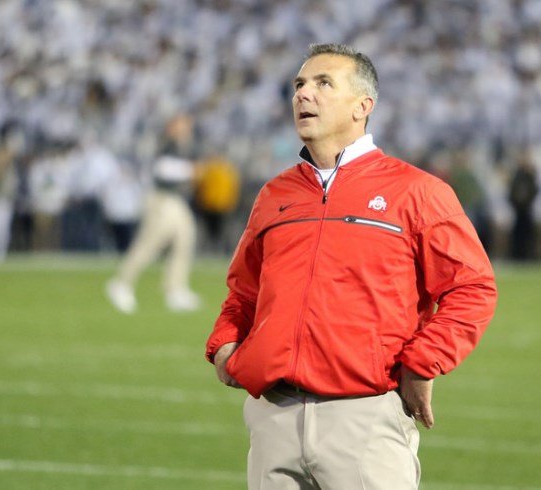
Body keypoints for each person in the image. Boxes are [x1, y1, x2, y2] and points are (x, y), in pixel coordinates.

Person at [205, 43, 497, 489]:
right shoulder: (274, 195)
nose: (304, 94)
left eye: (324, 83)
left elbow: (472, 288)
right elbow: (243, 291)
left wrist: (423, 363)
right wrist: (225, 345)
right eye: (299, 84)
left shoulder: (417, 191)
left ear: (364, 106)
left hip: (364, 418)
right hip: (273, 417)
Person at [105, 115, 201, 314]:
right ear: (172, 126)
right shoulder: (166, 143)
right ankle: (121, 283)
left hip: (175, 200)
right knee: (150, 243)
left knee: (185, 238)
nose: (187, 128)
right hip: (161, 199)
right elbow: (162, 169)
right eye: (182, 124)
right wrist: (190, 171)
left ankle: (175, 289)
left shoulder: (184, 145)